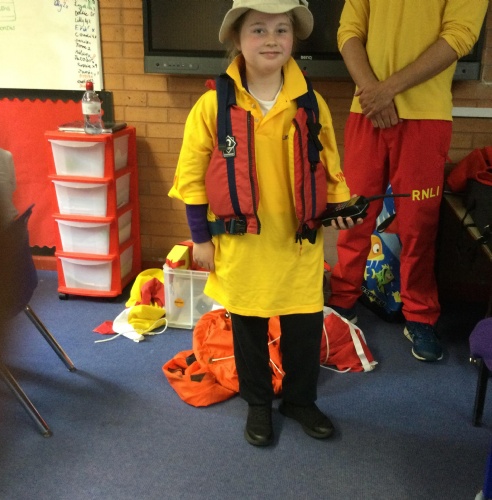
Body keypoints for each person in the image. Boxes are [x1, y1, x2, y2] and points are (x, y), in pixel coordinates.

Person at [169, 0, 360, 446]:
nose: (271, 40)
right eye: (258, 29)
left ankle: (300, 399)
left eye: (281, 30)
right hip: (243, 247)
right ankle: (257, 403)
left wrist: (340, 210)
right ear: (237, 38)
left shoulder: (311, 104)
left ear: (293, 39)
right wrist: (200, 238)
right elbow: (192, 178)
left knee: (303, 326)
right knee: (249, 328)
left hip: (298, 244)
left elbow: (330, 168)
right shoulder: (211, 107)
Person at [328, 0, 489, 361]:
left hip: (425, 116)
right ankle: (342, 300)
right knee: (354, 216)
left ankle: (420, 314)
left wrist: (387, 90)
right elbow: (349, 30)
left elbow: (460, 37)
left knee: (419, 226)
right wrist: (373, 91)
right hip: (366, 108)